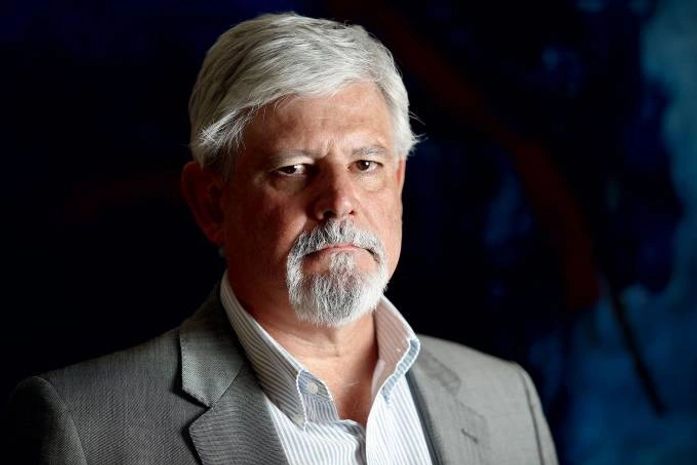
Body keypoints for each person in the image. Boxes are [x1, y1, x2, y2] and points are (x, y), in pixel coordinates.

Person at [7, 12, 558, 465]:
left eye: (365, 164)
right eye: (293, 169)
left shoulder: (507, 399)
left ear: (397, 182)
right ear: (211, 202)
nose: (339, 201)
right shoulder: (85, 430)